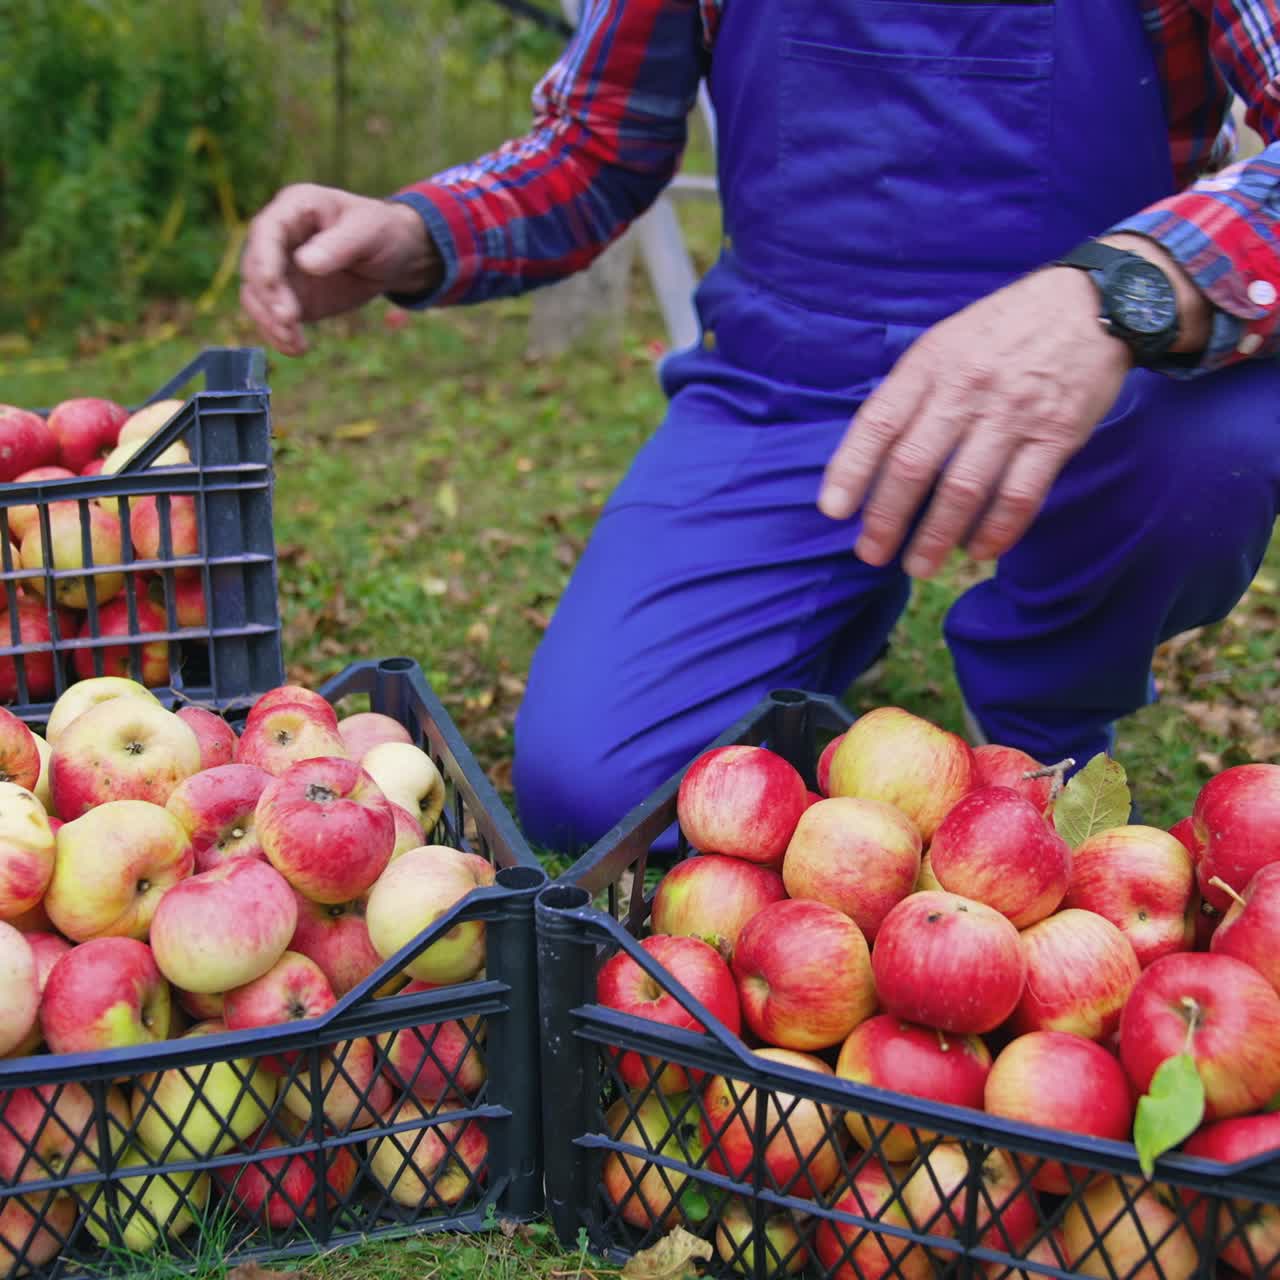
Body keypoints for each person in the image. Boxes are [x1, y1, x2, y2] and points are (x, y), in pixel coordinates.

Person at [241, 0, 1280, 857]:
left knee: (1229, 430)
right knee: (595, 787)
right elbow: (595, 141)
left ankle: (1044, 690)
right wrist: (419, 232)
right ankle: (822, 614)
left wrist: (1122, 289)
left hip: (1091, 380)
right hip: (792, 381)